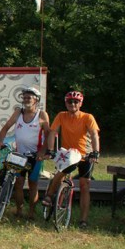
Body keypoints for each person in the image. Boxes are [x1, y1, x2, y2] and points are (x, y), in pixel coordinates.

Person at [41, 91, 100, 229]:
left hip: (85, 154)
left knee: (85, 186)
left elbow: (94, 134)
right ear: (66, 103)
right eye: (69, 101)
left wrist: (95, 152)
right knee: (60, 174)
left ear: (81, 103)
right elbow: (53, 132)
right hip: (68, 154)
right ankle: (49, 196)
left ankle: (83, 220)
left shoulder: (87, 117)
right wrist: (50, 150)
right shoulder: (61, 115)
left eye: (76, 102)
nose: (72, 104)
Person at [0, 87, 50, 220]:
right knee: (18, 183)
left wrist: (43, 151)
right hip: (19, 154)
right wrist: (0, 141)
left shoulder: (42, 115)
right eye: (24, 97)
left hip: (35, 156)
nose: (25, 100)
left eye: (28, 98)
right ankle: (19, 210)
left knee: (32, 184)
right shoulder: (18, 112)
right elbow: (6, 127)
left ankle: (31, 212)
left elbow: (48, 135)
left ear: (36, 100)